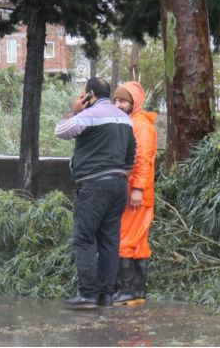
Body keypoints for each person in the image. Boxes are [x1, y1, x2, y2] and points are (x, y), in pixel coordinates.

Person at [54, 77, 136, 309]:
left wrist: (74, 109)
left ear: (90, 94)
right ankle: (106, 295)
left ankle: (88, 294)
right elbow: (131, 158)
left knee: (85, 238)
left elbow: (61, 131)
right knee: (110, 241)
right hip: (119, 184)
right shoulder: (125, 120)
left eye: (83, 95)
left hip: (93, 185)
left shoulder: (90, 115)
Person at [111, 82, 156, 306]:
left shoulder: (140, 126)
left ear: (134, 103)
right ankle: (138, 291)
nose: (118, 105)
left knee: (125, 240)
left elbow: (143, 159)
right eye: (116, 100)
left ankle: (126, 291)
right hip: (137, 192)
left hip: (136, 193)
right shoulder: (134, 122)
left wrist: (137, 189)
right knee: (138, 243)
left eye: (123, 101)